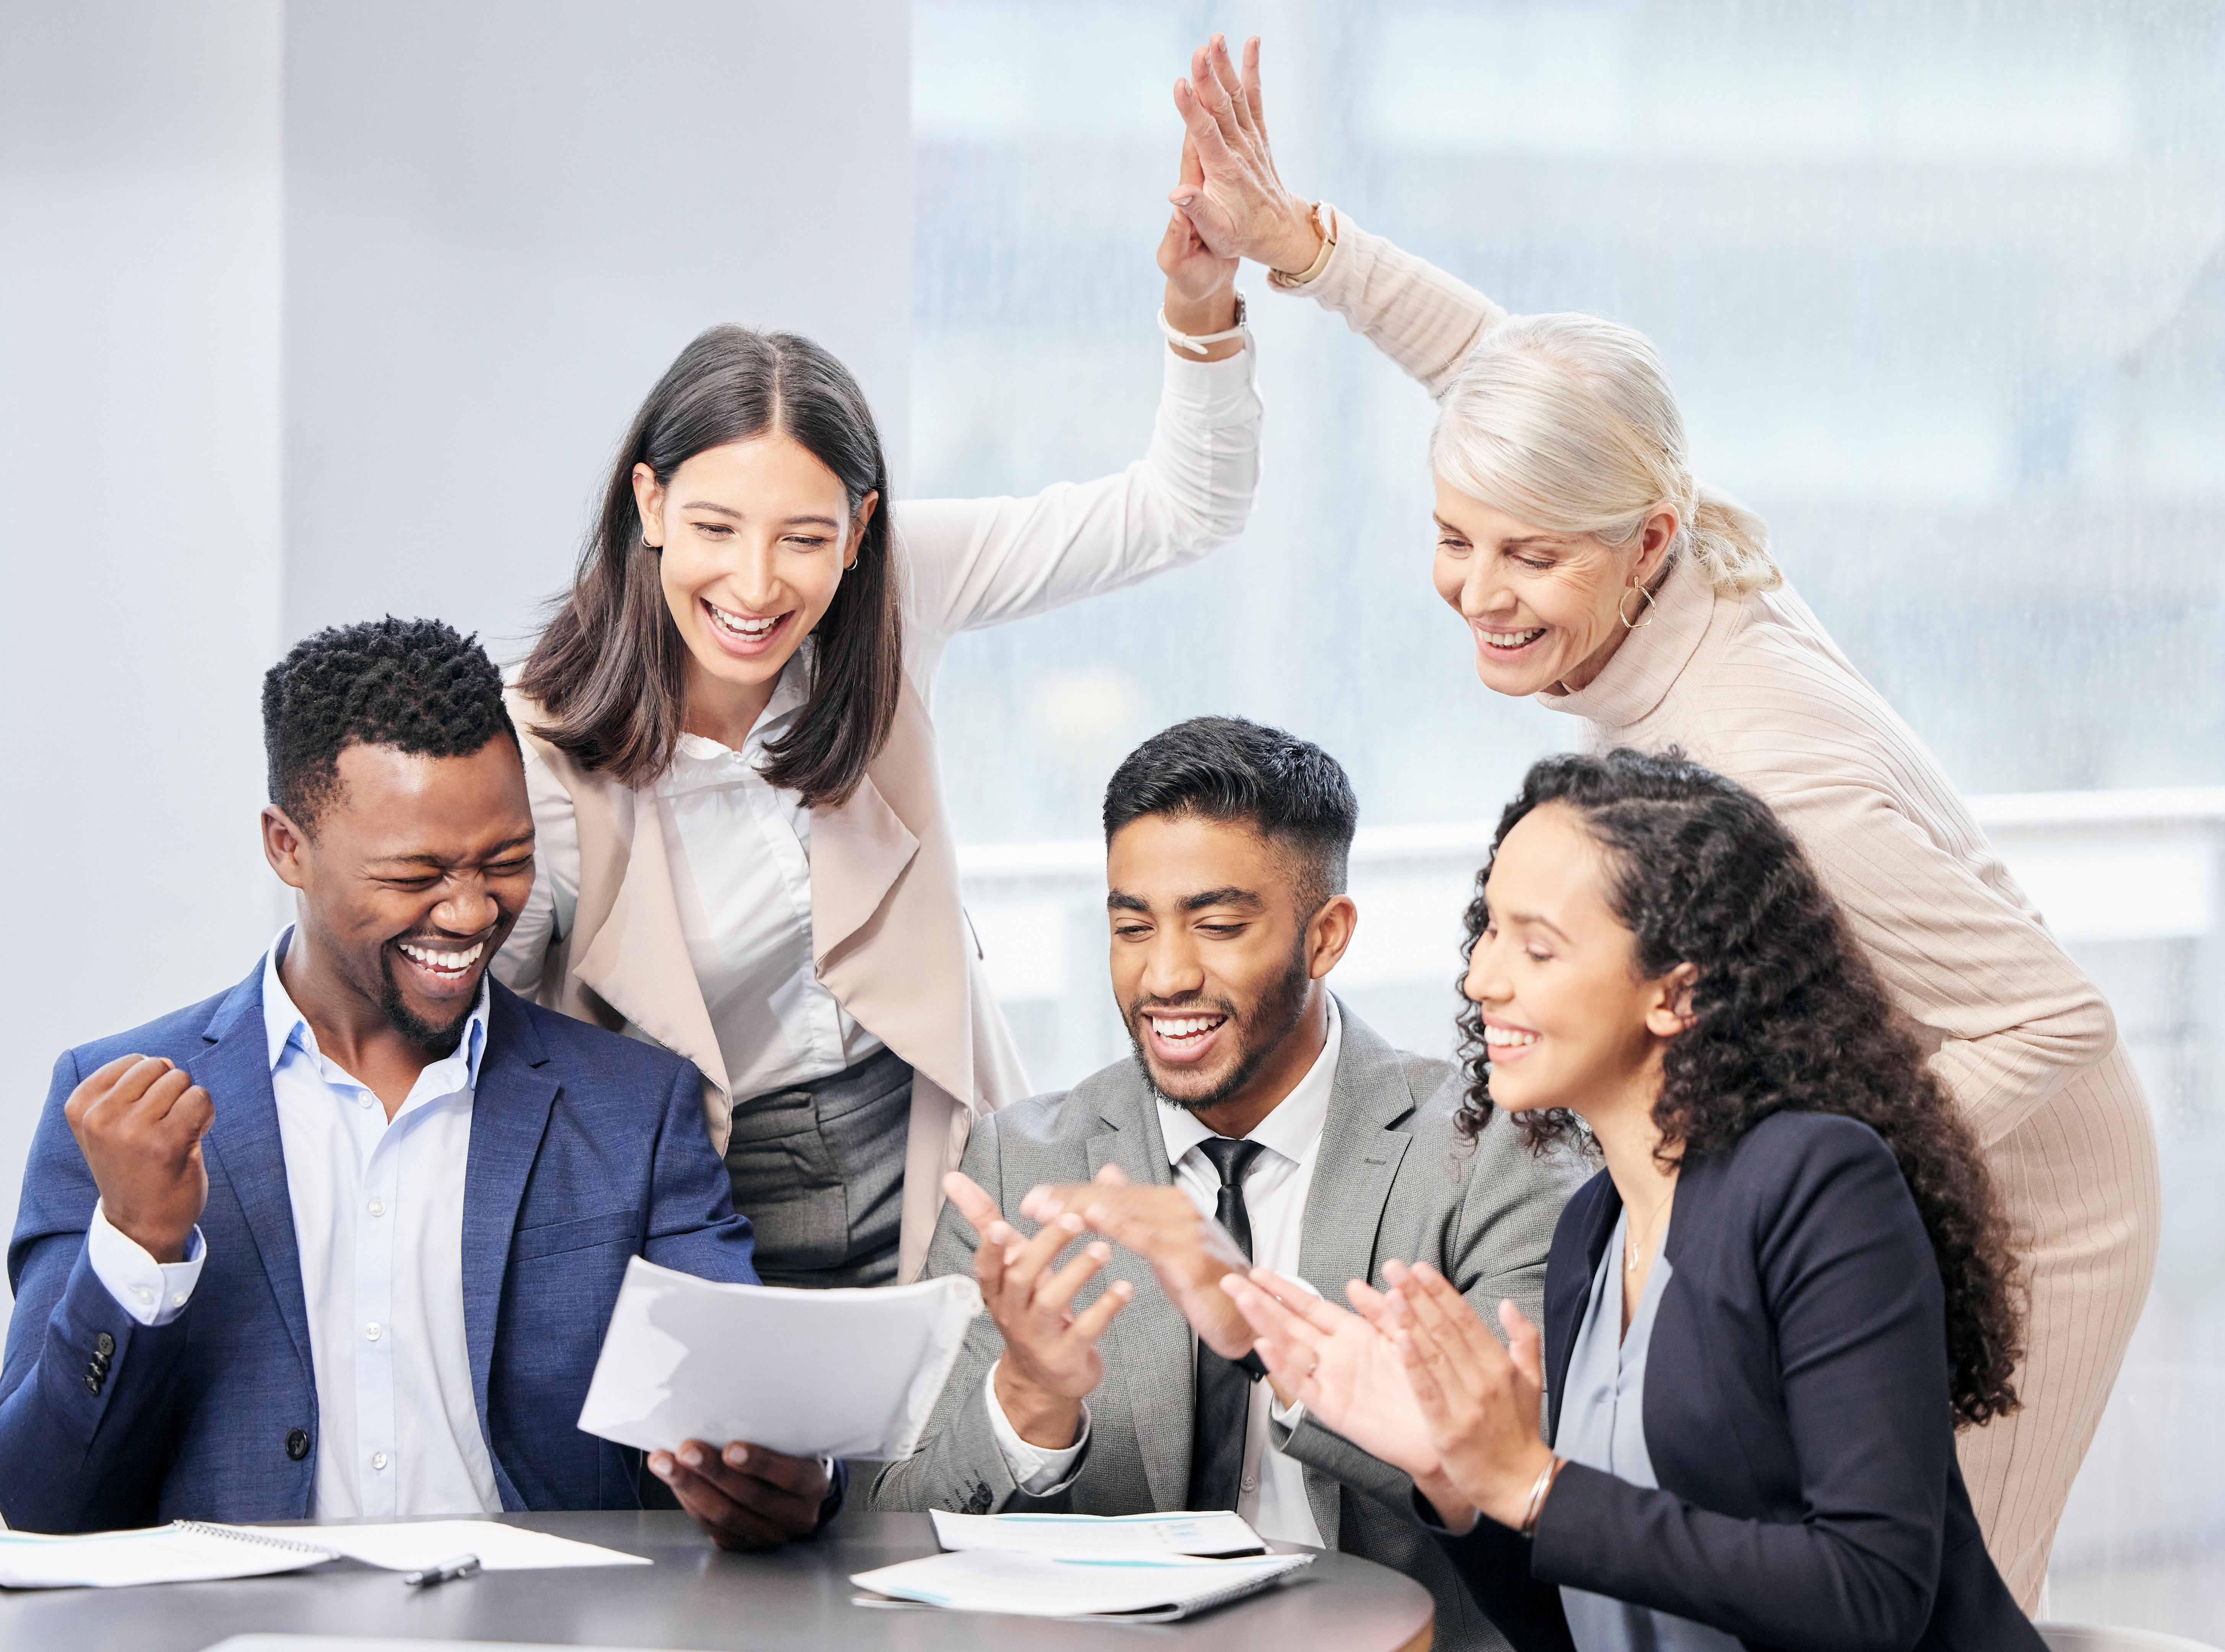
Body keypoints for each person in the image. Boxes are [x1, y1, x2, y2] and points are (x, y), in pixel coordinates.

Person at [1159, 33, 2159, 1606]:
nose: (1476, 596)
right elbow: (1509, 373)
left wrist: (1784, 1209)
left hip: (2023, 1177)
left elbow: (2051, 1021)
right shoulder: (1633, 528)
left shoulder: (1771, 755)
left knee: (1904, 1603)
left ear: (1638, 540)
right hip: (1829, 1113)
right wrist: (1305, 250)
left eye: (1525, 559)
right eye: (1448, 538)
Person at [494, 156, 1264, 1293]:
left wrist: (1200, 311)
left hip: (930, 1144)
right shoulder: (543, 752)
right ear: (650, 506)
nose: (756, 586)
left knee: (958, 1459)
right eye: (715, 528)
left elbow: (1182, 511)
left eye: (803, 538)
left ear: (858, 530)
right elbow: (485, 1037)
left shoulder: (896, 588)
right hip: (695, 1196)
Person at [0, 620, 826, 1548]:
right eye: (416, 874)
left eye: (506, 862)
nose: (473, 913)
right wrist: (139, 1246)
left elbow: (746, 1416)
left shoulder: (635, 1108)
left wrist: (781, 1469)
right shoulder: (117, 1110)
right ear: (287, 848)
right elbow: (40, 1501)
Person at [1226, 748, 2044, 1652]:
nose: (1481, 979)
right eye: (1487, 932)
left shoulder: (1816, 1183)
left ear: (1674, 991)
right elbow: (1574, 1626)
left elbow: (1868, 1596)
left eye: (1535, 947)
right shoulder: (1591, 1230)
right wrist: (1457, 1479)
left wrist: (1533, 1483)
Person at [869, 717, 1581, 1652]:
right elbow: (892, 1520)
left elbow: (1521, 1489)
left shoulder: (1494, 1150)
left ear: (1325, 937)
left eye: (1217, 926)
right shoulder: (1018, 1162)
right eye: (1131, 928)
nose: (1164, 976)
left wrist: (1262, 1337)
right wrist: (1029, 1401)